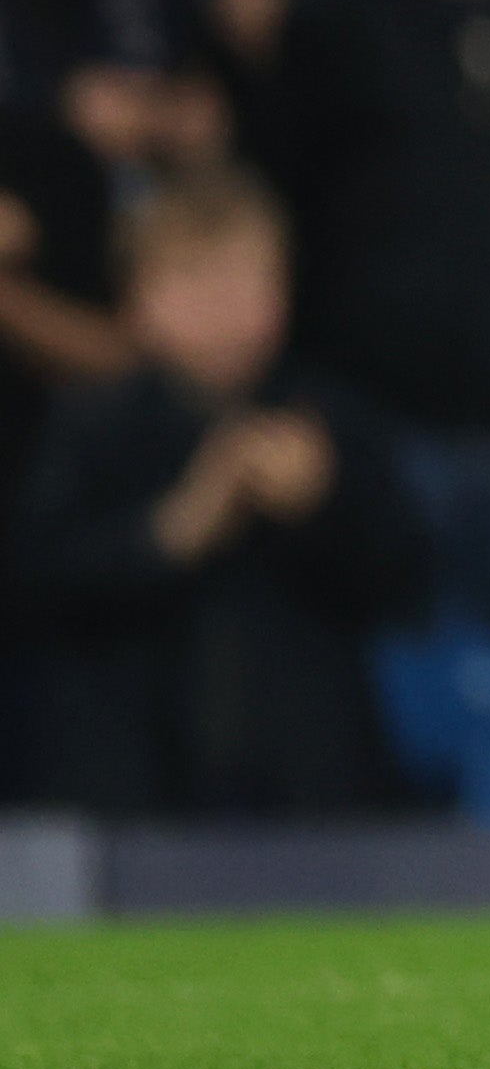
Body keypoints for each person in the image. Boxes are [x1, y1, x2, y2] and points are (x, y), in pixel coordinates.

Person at [13, 167, 424, 813]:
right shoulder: (93, 427)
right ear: (136, 300)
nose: (221, 306)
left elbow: (411, 581)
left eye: (244, 278)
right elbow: (38, 584)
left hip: (316, 792)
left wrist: (324, 503)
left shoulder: (329, 421)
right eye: (194, 279)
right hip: (129, 787)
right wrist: (171, 532)